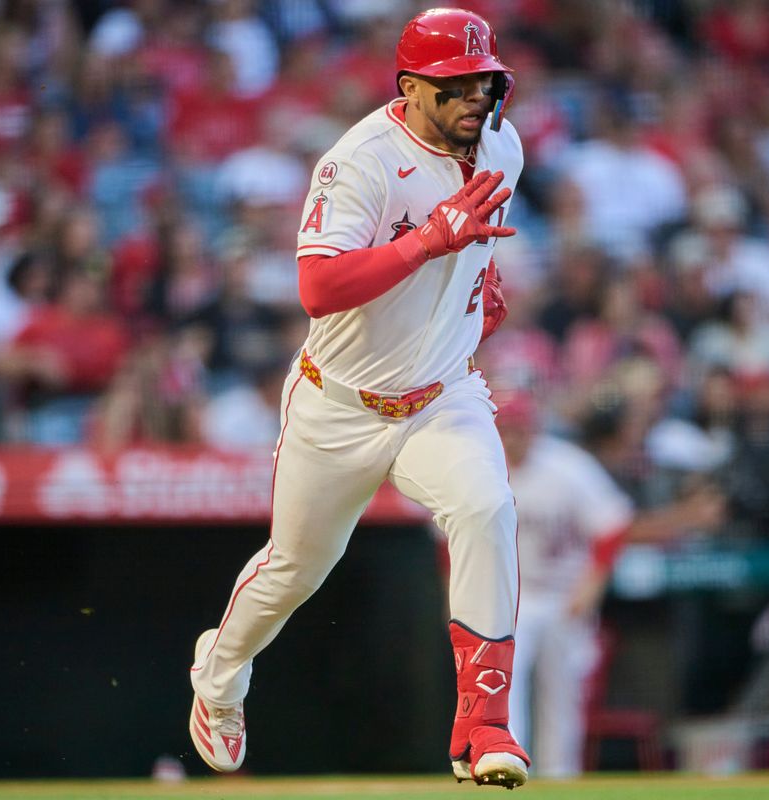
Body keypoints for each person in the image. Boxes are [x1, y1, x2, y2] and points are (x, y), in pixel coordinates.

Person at [188, 8, 529, 788]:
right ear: (410, 88)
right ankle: (220, 672)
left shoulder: (503, 148)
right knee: (296, 570)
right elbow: (317, 287)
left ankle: (484, 728)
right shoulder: (361, 161)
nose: (476, 97)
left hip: (442, 395)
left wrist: (477, 291)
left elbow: (472, 259)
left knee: (486, 509)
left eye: (486, 80)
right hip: (339, 402)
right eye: (455, 85)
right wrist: (425, 243)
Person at [495, 389, 725, 778]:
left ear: (534, 428)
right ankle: (506, 763)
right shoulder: (482, 465)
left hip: (563, 593)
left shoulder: (567, 466)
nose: (513, 437)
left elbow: (612, 527)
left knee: (563, 695)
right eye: (505, 429)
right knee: (506, 684)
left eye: (520, 428)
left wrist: (592, 584)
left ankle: (558, 777)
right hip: (511, 597)